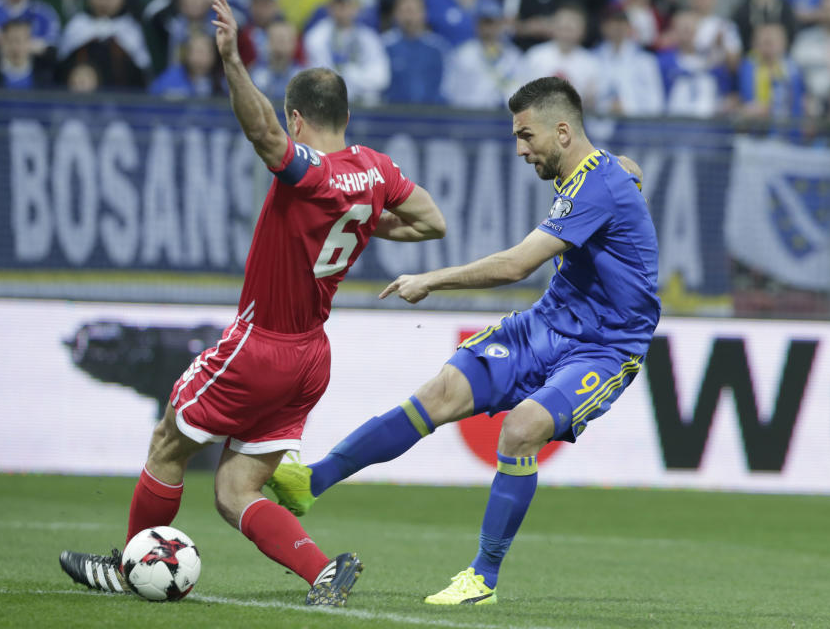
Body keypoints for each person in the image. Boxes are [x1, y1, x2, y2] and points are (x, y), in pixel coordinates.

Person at [58, 0, 446, 608]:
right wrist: (371, 221)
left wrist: (233, 63)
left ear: (297, 118)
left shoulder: (311, 172)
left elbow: (262, 135)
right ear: (345, 114)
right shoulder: (374, 171)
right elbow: (432, 223)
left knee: (168, 441)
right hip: (312, 356)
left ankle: (130, 563)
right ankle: (323, 571)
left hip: (261, 343)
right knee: (236, 488)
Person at [266, 76, 660, 605]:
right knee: (440, 393)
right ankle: (311, 482)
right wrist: (627, 172)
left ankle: (483, 578)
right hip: (545, 325)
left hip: (605, 348)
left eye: (527, 136)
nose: (520, 149)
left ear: (563, 131)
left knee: (521, 431)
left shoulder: (598, 184)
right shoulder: (598, 171)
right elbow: (626, 172)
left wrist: (431, 279)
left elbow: (517, 264)